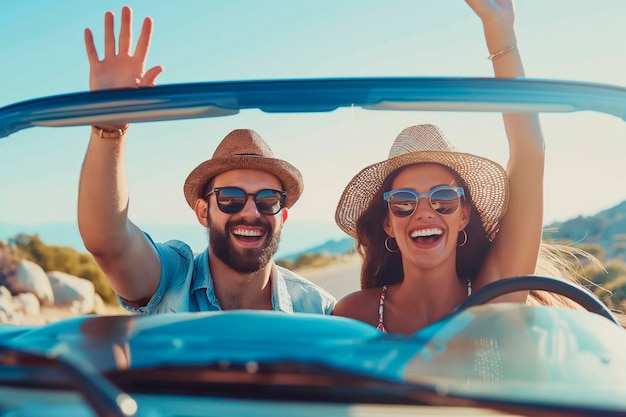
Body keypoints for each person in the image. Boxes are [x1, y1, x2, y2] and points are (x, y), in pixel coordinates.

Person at [78, 6, 335, 314]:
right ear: (203, 211)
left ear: (283, 217)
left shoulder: (318, 310)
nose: (251, 211)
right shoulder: (171, 277)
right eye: (230, 198)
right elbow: (108, 243)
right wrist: (110, 126)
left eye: (268, 200)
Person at [332, 0, 549, 334]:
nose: (424, 212)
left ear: (463, 215)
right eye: (403, 200)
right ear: (388, 223)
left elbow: (530, 151)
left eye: (444, 198)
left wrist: (499, 26)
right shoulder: (352, 313)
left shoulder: (493, 297)